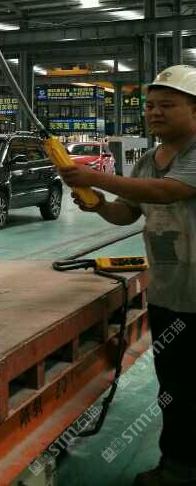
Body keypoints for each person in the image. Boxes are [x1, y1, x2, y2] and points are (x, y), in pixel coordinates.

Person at [59, 65, 196, 486]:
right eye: (150, 106)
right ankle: (178, 467)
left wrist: (95, 176)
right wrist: (99, 204)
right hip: (170, 295)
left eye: (167, 105)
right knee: (175, 387)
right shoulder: (147, 162)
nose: (154, 113)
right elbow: (129, 213)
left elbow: (168, 192)